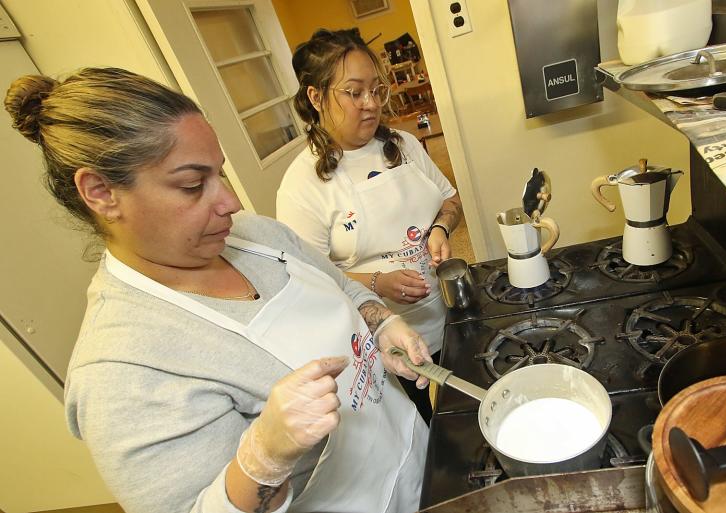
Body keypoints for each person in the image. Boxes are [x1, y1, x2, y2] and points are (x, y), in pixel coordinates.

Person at [4, 67, 433, 513]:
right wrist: (261, 461)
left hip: (415, 458)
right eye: (193, 185)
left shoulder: (259, 237)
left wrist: (381, 324)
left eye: (220, 174)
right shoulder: (121, 372)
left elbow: (343, 286)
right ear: (101, 192)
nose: (230, 202)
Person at [276, 29, 463, 423]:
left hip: (447, 310)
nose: (371, 104)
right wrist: (378, 282)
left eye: (377, 91)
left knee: (464, 409)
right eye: (354, 92)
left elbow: (450, 200)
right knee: (420, 424)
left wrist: (441, 229)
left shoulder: (405, 145)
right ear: (315, 96)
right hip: (382, 341)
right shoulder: (302, 184)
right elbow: (308, 280)